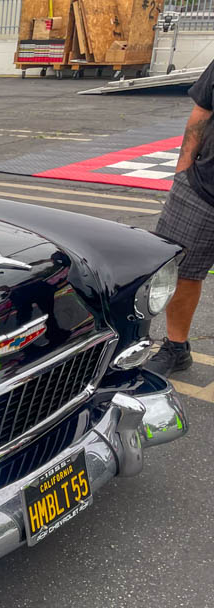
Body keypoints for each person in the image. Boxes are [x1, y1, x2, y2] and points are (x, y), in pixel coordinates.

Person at [148, 60, 214, 375]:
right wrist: (183, 170)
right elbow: (202, 111)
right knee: (180, 270)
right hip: (202, 185)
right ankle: (176, 347)